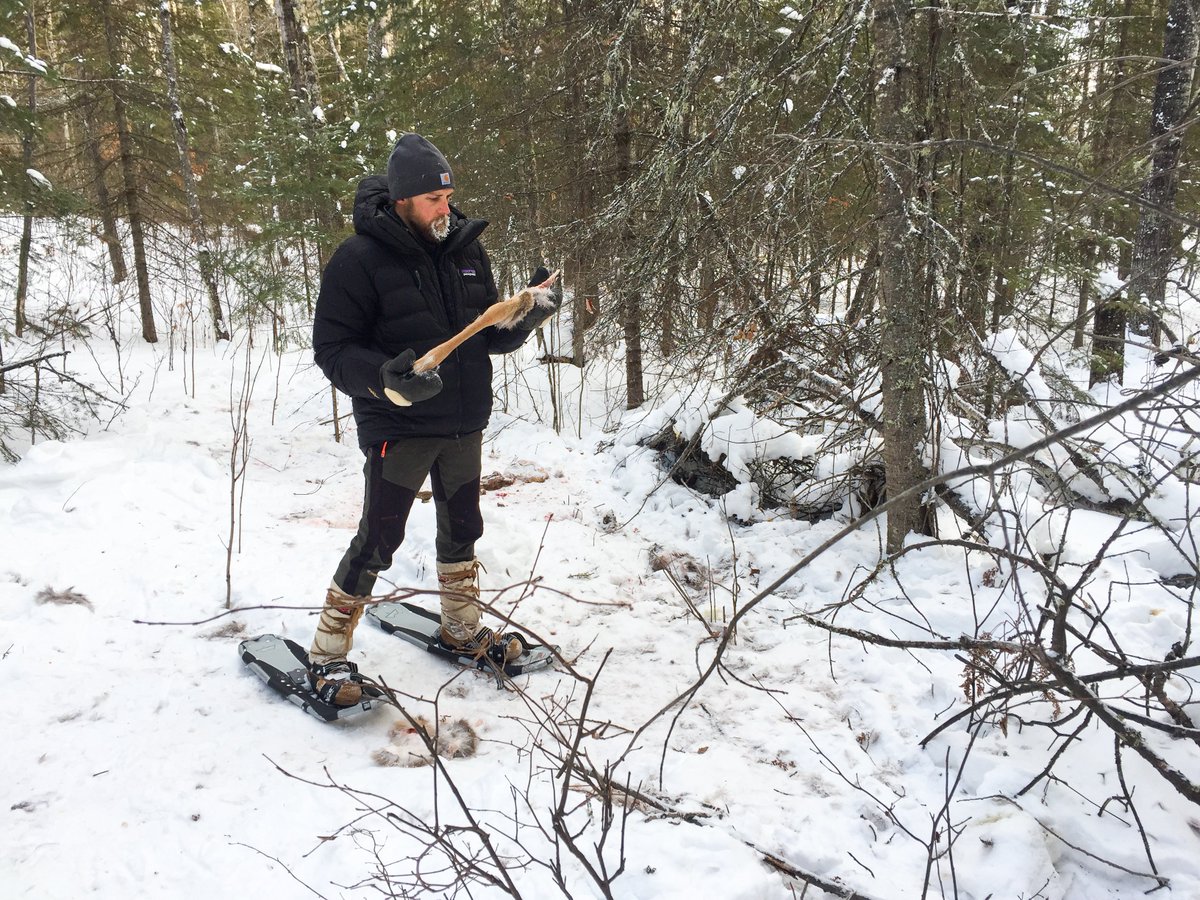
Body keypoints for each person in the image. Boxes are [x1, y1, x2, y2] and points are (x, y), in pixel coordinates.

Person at [307, 133, 561, 706]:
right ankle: (325, 656)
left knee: (463, 529)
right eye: (432, 201)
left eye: (448, 196)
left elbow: (486, 336)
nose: (446, 209)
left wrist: (527, 315)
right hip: (399, 426)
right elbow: (333, 349)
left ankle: (462, 628)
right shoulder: (358, 259)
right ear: (402, 200)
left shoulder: (466, 249)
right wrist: (383, 377)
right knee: (379, 539)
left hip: (464, 421)